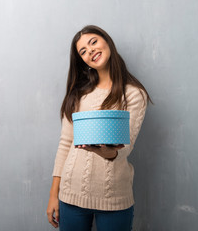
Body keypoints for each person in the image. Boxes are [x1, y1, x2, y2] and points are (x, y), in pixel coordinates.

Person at [46, 25, 153, 231]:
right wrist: (54, 195)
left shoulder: (133, 94)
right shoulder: (79, 93)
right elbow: (65, 143)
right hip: (70, 194)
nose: (90, 51)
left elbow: (125, 148)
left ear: (107, 41)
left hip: (114, 197)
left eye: (93, 42)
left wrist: (106, 151)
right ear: (82, 61)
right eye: (83, 52)